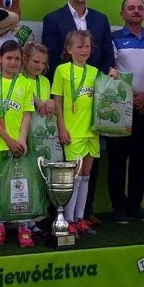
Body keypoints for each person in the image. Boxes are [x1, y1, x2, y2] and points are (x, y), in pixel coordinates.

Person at [41, 0, 116, 225]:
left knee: (88, 169)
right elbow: (49, 59)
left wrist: (106, 81)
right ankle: (64, 217)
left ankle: (85, 213)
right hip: (70, 111)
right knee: (69, 171)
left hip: (93, 108)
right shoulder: (53, 20)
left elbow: (107, 54)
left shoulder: (101, 19)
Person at [105, 0, 144, 224]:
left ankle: (135, 206)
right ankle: (118, 207)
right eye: (131, 8)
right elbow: (109, 70)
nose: (136, 11)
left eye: (140, 8)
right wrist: (129, 95)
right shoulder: (114, 38)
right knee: (117, 159)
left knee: (141, 158)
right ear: (122, 14)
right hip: (120, 104)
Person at [0, 40, 35, 247]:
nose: (13, 62)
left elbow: (27, 115)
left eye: (16, 58)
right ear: (0, 59)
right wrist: (7, 139)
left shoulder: (25, 84)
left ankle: (23, 225)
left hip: (18, 143)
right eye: (9, 58)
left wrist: (20, 139)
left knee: (19, 182)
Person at [52, 31, 99, 236]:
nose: (84, 51)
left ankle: (80, 218)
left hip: (92, 132)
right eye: (79, 47)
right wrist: (62, 127)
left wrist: (114, 78)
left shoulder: (95, 72)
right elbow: (58, 102)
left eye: (87, 46)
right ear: (69, 49)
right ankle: (68, 219)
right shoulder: (62, 70)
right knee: (74, 177)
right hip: (73, 131)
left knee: (86, 175)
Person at [22, 42, 59, 236]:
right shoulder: (18, 79)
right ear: (25, 59)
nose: (39, 66)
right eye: (35, 61)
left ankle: (36, 219)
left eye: (43, 63)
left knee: (41, 178)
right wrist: (34, 100)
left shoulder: (45, 81)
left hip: (44, 138)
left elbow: (48, 104)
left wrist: (51, 101)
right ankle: (25, 221)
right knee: (27, 177)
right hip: (24, 135)